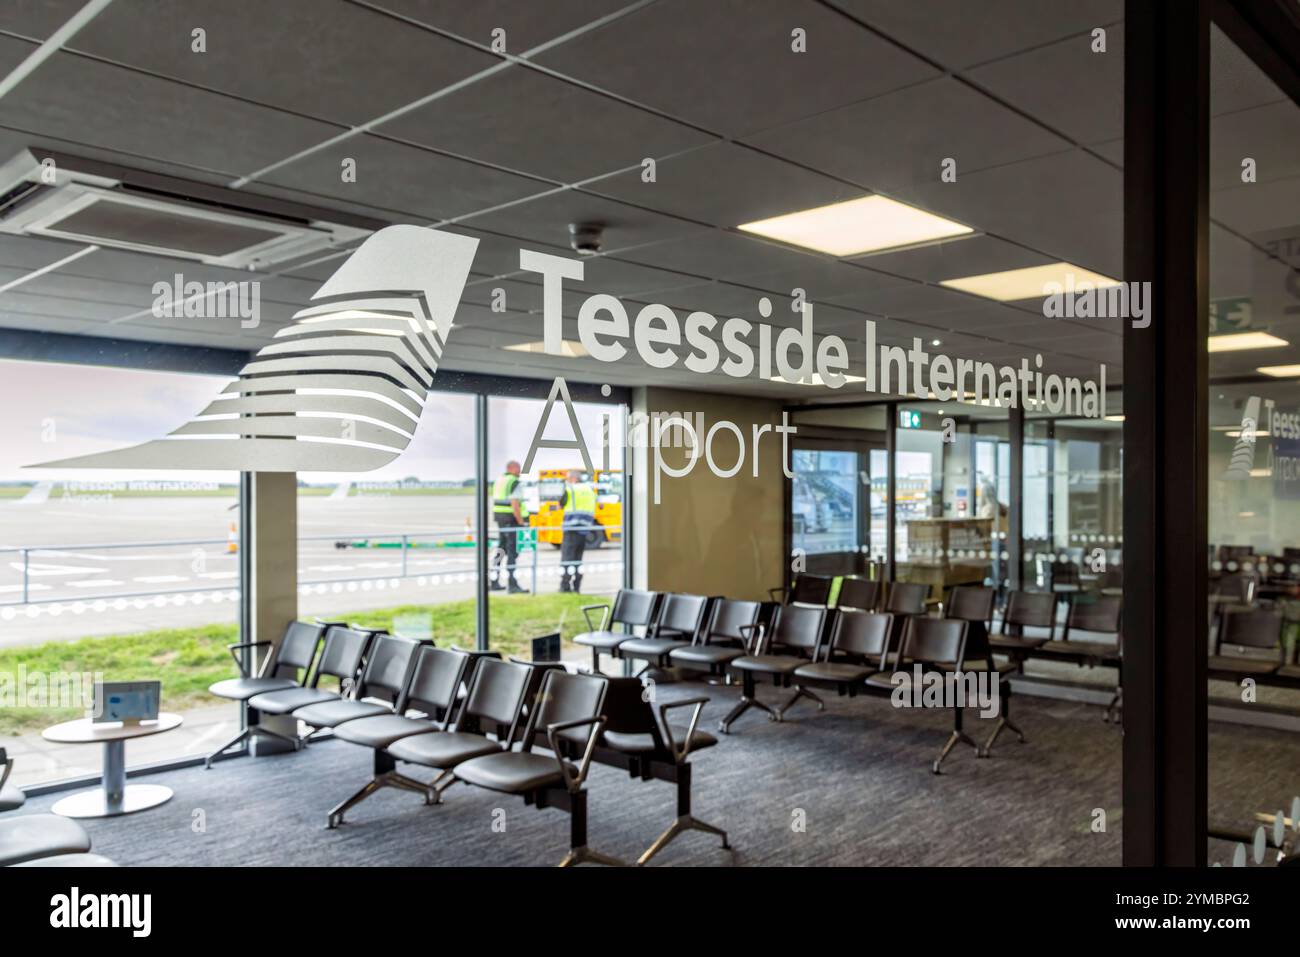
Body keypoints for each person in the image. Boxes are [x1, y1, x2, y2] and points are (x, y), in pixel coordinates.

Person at [490, 460, 529, 594]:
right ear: (512, 469)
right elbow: (515, 503)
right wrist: (521, 521)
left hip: (500, 519)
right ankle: (512, 584)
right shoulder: (514, 481)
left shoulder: (500, 480)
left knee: (501, 550)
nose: (520, 471)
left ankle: (493, 581)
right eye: (518, 468)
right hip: (511, 520)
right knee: (512, 552)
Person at [559, 469, 597, 593]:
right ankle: (576, 587)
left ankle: (565, 587)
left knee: (567, 559)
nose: (567, 481)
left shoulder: (571, 489)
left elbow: (561, 504)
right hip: (584, 530)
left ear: (574, 479)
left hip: (571, 528)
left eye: (568, 479)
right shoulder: (590, 490)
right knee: (577, 559)